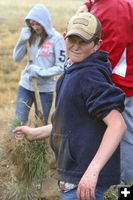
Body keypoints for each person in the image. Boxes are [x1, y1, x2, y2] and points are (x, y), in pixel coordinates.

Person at [14, 13, 127, 200]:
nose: (75, 46)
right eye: (72, 39)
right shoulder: (73, 70)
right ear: (65, 36)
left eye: (83, 41)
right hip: (73, 176)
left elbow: (117, 125)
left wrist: (92, 172)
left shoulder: (89, 76)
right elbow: (73, 122)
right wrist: (36, 133)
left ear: (97, 44)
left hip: (83, 181)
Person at [77, 0, 133, 183]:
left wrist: (78, 77)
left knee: (125, 143)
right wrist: (88, 5)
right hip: (117, 85)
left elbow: (106, 56)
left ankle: (125, 189)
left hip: (121, 88)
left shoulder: (113, 7)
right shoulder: (105, 3)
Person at [13, 4, 66, 125]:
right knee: (18, 122)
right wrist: (21, 41)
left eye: (38, 23)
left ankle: (38, 144)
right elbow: (16, 58)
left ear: (45, 21)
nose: (35, 27)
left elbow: (61, 67)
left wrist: (39, 71)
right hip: (25, 86)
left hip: (45, 90)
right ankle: (13, 144)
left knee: (40, 124)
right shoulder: (30, 36)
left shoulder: (57, 39)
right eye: (32, 24)